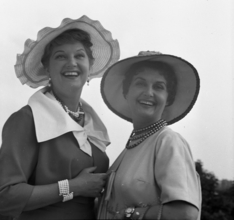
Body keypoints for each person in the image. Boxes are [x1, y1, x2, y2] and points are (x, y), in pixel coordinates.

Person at [0, 15, 120, 219]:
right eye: (61, 56)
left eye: (79, 56)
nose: (71, 63)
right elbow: (5, 197)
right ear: (47, 67)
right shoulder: (28, 119)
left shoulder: (92, 125)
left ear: (90, 65)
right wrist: (72, 187)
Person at [98, 51, 202, 220]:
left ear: (168, 98)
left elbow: (186, 214)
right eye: (140, 83)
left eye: (159, 87)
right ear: (126, 92)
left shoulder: (168, 141)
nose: (148, 92)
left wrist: (130, 214)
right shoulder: (131, 148)